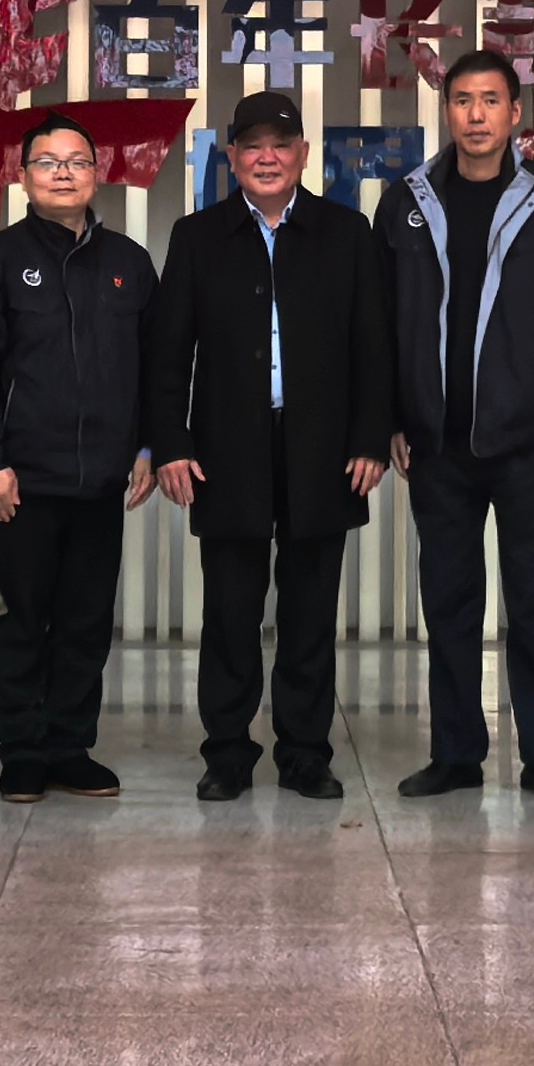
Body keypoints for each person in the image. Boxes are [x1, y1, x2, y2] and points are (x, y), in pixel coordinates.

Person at [145, 90, 394, 800]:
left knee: (310, 611)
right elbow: (168, 354)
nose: (267, 157)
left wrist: (371, 437)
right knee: (230, 612)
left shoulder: (346, 233)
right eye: (252, 146)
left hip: (324, 450)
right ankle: (227, 752)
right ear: (232, 157)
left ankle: (305, 752)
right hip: (226, 451)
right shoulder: (198, 236)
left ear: (303, 154)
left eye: (280, 145)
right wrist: (170, 444)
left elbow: (374, 345)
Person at [375, 51, 534, 802]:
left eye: (491, 100)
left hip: (530, 439)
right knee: (449, 603)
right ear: (447, 111)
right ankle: (456, 754)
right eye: (463, 100)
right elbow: (383, 323)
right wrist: (392, 417)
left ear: (515, 113)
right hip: (435, 441)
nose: (476, 114)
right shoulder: (406, 201)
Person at [0, 116, 159, 803]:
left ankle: (70, 746)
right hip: (19, 480)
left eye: (77, 161)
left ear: (98, 173)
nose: (63, 173)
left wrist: (148, 446)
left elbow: (153, 368)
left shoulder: (129, 263)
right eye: (47, 162)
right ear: (23, 176)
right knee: (20, 620)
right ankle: (23, 752)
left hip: (102, 477)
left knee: (86, 621)